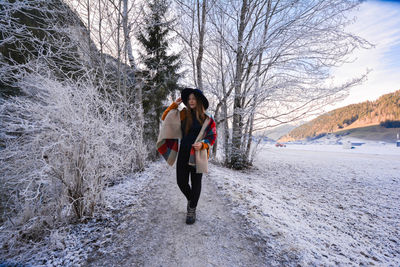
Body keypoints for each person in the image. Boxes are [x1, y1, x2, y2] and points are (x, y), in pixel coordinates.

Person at [159, 88, 217, 224]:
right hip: (184, 153)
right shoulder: (183, 114)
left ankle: (192, 209)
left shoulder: (207, 118)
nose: (191, 101)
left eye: (194, 98)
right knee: (181, 182)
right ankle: (192, 201)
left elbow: (212, 135)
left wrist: (204, 144)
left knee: (196, 184)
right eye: (189, 98)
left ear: (199, 101)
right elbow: (165, 118)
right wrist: (174, 105)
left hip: (198, 154)